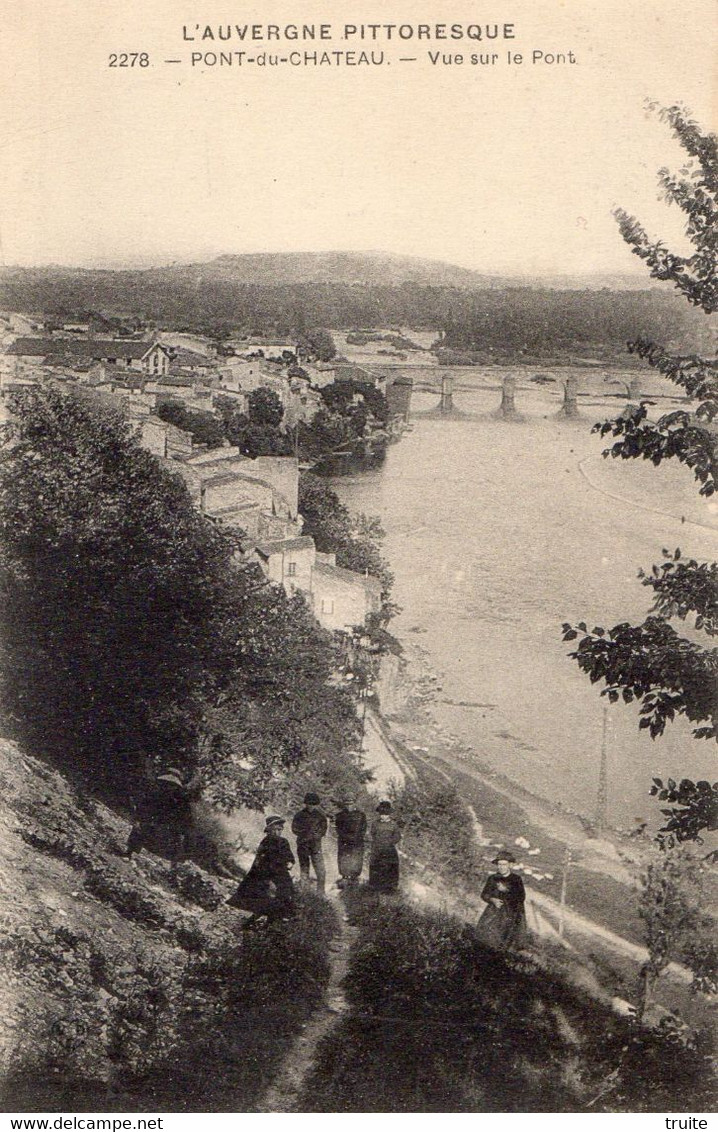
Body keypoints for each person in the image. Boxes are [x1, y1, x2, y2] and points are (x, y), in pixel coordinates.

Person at [227, 816, 295, 929]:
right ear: (269, 829)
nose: (278, 832)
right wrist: (264, 877)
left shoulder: (284, 842)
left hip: (281, 874)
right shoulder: (266, 842)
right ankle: (252, 923)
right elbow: (259, 861)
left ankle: (272, 924)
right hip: (266, 874)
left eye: (280, 829)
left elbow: (289, 856)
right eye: (276, 829)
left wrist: (290, 862)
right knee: (265, 900)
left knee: (286, 896)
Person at [125, 766, 202, 863]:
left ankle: (175, 866)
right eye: (166, 784)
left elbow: (187, 823)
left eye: (170, 785)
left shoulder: (179, 800)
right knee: (140, 826)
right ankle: (129, 853)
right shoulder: (156, 793)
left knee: (177, 840)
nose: (167, 787)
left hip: (164, 833)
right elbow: (142, 808)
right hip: (155, 830)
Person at [475, 852, 528, 950]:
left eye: (504, 864)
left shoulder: (516, 879)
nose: (501, 867)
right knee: (485, 937)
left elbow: (521, 897)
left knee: (503, 941)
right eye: (499, 864)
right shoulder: (493, 878)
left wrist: (506, 891)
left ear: (510, 865)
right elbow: (484, 894)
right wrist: (492, 899)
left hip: (509, 913)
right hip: (493, 912)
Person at [292, 792, 328, 895]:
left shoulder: (320, 816)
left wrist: (315, 835)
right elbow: (294, 828)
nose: (310, 806)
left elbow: (323, 830)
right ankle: (305, 891)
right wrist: (304, 833)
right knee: (304, 868)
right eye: (309, 803)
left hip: (316, 846)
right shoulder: (299, 815)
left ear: (316, 804)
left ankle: (321, 892)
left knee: (321, 869)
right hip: (303, 845)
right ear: (305, 803)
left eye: (313, 804)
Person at [368, 800, 401, 894]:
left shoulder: (393, 825)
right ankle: (375, 889)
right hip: (377, 850)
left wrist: (389, 842)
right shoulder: (375, 824)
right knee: (376, 868)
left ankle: (390, 889)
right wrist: (377, 843)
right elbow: (372, 834)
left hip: (389, 850)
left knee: (390, 869)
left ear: (389, 814)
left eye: (386, 814)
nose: (383, 816)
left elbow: (397, 836)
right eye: (381, 814)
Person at [334, 797, 367, 888]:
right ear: (344, 804)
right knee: (343, 859)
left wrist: (357, 837)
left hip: (357, 841)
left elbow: (363, 829)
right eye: (347, 804)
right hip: (344, 841)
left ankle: (354, 878)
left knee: (357, 859)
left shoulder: (361, 815)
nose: (349, 806)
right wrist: (345, 837)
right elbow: (338, 829)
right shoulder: (340, 816)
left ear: (354, 803)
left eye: (351, 803)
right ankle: (344, 877)